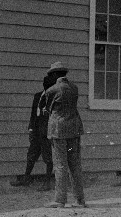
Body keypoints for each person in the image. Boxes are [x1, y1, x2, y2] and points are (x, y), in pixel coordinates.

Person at [42, 62, 87, 208]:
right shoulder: (74, 88)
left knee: (60, 165)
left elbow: (48, 109)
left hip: (58, 130)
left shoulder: (52, 90)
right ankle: (79, 199)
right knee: (75, 164)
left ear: (55, 74)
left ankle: (60, 199)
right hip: (74, 128)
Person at [10, 76, 55, 191]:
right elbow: (33, 114)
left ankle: (47, 181)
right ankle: (26, 177)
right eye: (45, 84)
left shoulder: (54, 98)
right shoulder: (38, 96)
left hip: (47, 132)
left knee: (48, 157)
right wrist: (31, 129)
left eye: (49, 85)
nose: (47, 86)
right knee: (31, 155)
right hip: (36, 130)